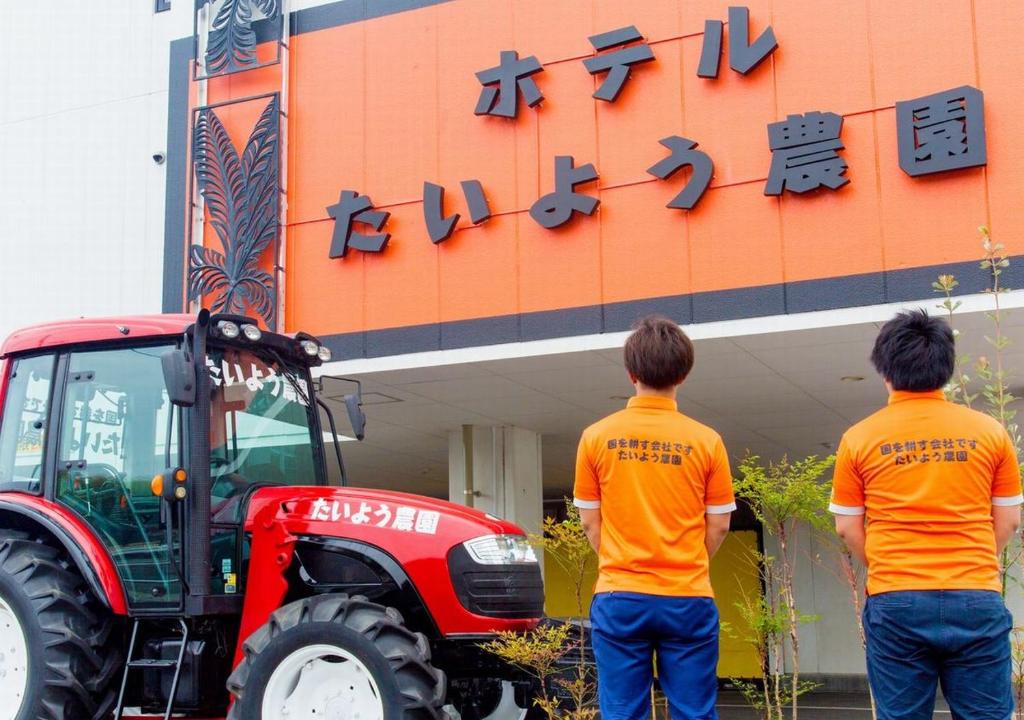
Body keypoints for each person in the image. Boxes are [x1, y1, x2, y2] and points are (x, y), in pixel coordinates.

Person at [831, 309, 1022, 720]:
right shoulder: (990, 432)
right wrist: (972, 563)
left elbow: (847, 527)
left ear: (885, 370)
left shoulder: (859, 438)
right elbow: (1008, 521)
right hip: (975, 593)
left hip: (896, 598)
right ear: (946, 368)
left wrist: (888, 566)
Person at [573, 315, 735, 720]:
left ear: (631, 373)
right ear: (683, 375)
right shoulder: (706, 440)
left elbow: (590, 521)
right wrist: (688, 563)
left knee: (623, 711)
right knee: (694, 711)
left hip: (620, 593)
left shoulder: (596, 437)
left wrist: (618, 561)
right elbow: (719, 524)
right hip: (688, 595)